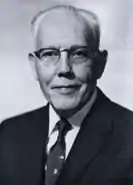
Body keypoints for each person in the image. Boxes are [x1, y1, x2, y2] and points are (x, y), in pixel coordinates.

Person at [0, 5, 133, 185]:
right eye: (49, 54)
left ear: (100, 64)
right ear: (34, 66)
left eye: (78, 54)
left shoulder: (128, 135)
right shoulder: (9, 135)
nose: (64, 69)